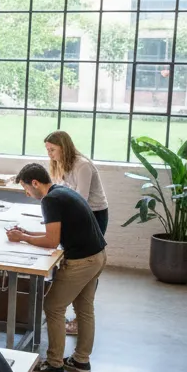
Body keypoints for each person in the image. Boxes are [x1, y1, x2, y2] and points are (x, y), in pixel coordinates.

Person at [8, 163, 107, 372]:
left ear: (35, 183)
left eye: (26, 188)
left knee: (53, 306)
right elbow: (55, 233)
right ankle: (81, 360)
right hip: (97, 255)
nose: (27, 193)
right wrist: (27, 232)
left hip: (82, 261)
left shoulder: (50, 200)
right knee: (84, 308)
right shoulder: (62, 192)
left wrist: (23, 238)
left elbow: (52, 241)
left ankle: (54, 364)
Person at [43, 131, 109, 337]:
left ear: (64, 147)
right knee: (74, 259)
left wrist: (59, 217)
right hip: (78, 212)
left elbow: (81, 197)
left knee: (86, 260)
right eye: (47, 150)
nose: (50, 154)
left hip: (94, 212)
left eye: (52, 150)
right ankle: (75, 312)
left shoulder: (83, 165)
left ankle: (80, 317)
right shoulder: (60, 163)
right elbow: (61, 189)